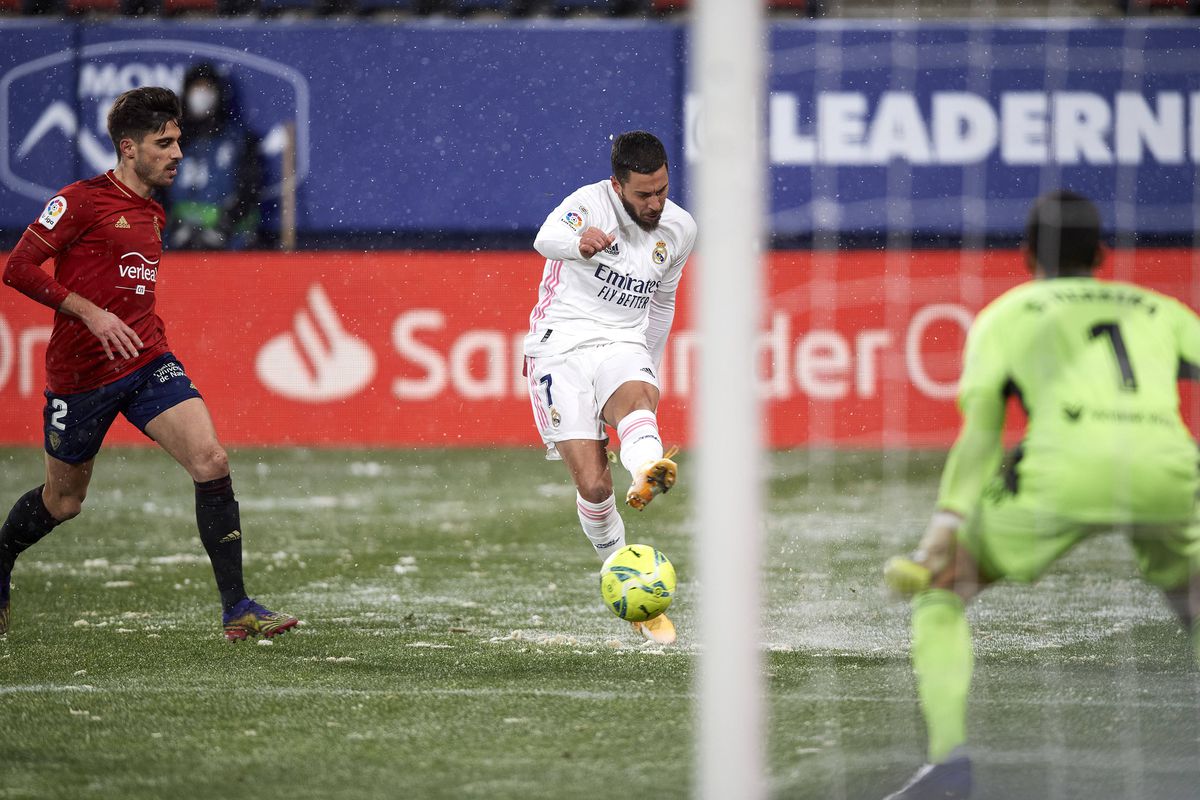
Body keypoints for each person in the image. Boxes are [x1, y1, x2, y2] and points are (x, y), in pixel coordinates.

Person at [880, 190, 1200, 800]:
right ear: (1102, 254)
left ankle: (949, 761)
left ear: (1027, 255)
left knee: (942, 595)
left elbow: (980, 437)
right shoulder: (1159, 308)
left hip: (1062, 472)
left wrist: (940, 535)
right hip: (1166, 469)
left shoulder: (1009, 313)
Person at [0, 87, 296, 642]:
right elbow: (17, 267)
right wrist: (89, 312)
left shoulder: (154, 212)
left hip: (146, 360)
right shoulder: (81, 201)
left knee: (210, 460)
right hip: (82, 377)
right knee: (63, 502)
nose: (178, 153)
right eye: (165, 143)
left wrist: (125, 326)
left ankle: (238, 609)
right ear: (129, 148)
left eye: (179, 140)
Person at [523, 130, 696, 645]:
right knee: (595, 487)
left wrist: (651, 368)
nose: (656, 203)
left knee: (638, 400)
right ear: (618, 186)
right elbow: (544, 237)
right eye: (644, 194)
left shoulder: (681, 229)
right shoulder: (587, 204)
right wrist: (578, 243)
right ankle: (622, 572)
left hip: (623, 339)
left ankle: (647, 469)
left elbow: (662, 303)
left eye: (663, 189)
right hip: (561, 346)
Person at [165, 63, 262, 251]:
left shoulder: (239, 140)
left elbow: (250, 190)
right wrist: (169, 222)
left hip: (230, 242)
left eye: (207, 89)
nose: (202, 95)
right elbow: (154, 190)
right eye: (196, 88)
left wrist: (228, 222)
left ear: (219, 94)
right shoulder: (169, 140)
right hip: (176, 243)